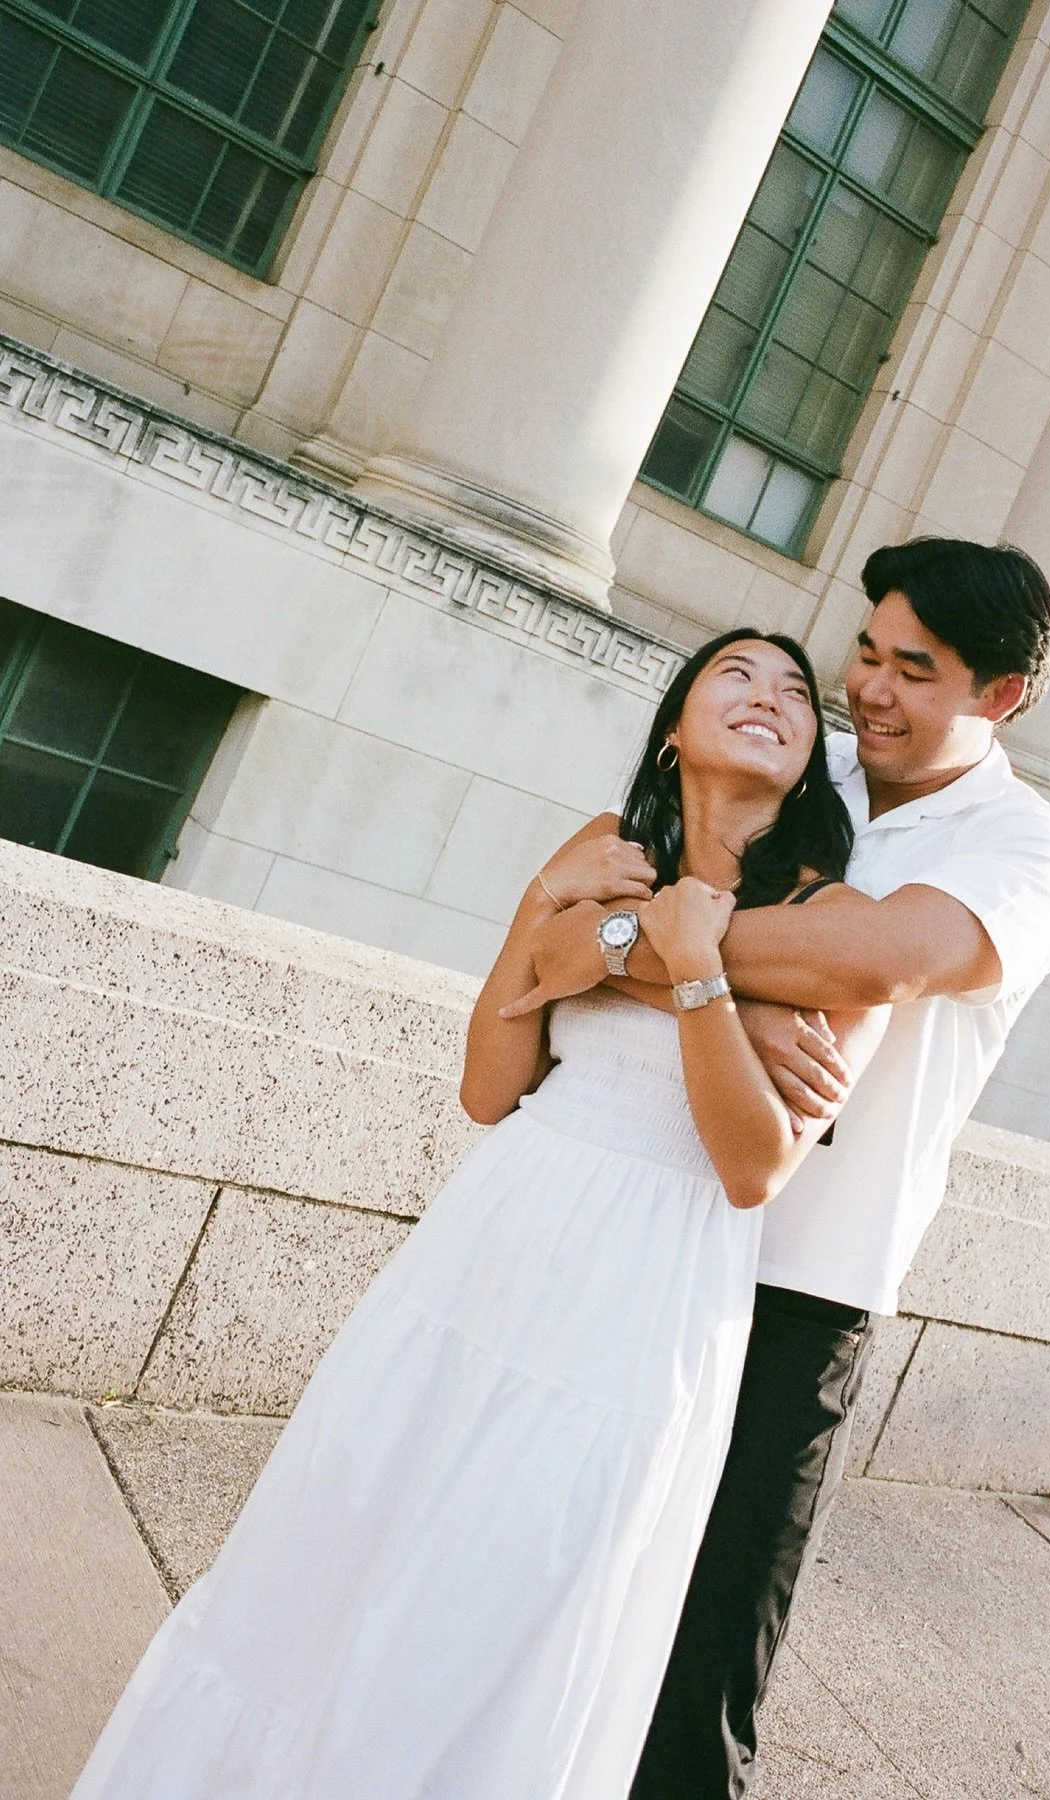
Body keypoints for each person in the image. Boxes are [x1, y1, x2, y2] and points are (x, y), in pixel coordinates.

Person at [70, 631, 889, 1800]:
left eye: (796, 692)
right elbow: (491, 1081)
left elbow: (756, 1165)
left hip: (649, 1284)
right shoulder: (602, 852)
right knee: (355, 1540)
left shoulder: (830, 916)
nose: (769, 697)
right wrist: (577, 923)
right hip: (499, 1241)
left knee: (514, 1595)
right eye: (735, 676)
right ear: (673, 728)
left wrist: (697, 974)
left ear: (811, 756)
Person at [507, 538, 1050, 1796]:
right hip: (652, 1218)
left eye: (914, 672)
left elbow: (869, 961)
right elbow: (612, 904)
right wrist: (696, 980)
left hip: (807, 1276)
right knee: (556, 1574)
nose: (867, 687)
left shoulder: (1027, 847)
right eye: (868, 652)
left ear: (999, 697)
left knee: (706, 1654)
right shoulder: (799, 759)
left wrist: (652, 958)